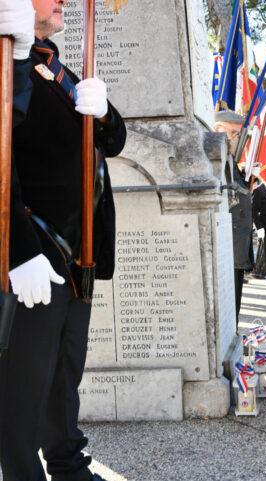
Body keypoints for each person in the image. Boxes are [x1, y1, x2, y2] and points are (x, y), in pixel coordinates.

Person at [4, 1, 127, 480]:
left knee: (63, 372)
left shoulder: (55, 65)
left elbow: (112, 143)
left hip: (80, 251)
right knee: (23, 382)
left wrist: (105, 112)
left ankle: (68, 465)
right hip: (36, 247)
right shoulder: (6, 62)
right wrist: (18, 250)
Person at [214, 110, 255, 326]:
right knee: (228, 317)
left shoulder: (230, 162)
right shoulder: (216, 161)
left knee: (234, 313)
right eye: (232, 133)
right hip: (226, 251)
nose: (236, 139)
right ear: (216, 130)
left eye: (238, 134)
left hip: (236, 251)